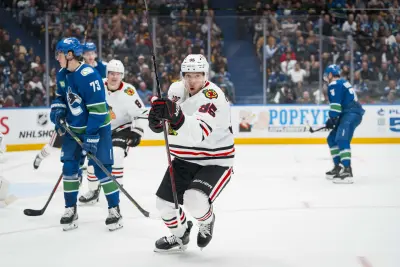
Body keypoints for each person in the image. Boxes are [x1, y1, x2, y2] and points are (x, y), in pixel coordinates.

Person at [148, 54, 234, 252]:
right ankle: (181, 235)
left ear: (205, 75)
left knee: (194, 199)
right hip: (184, 158)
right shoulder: (175, 90)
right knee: (164, 205)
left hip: (215, 160)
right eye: (188, 75)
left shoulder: (214, 96)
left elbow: (197, 133)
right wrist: (157, 121)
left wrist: (175, 114)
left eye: (197, 75)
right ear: (182, 75)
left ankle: (207, 221)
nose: (192, 80)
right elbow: (171, 123)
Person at [50, 37, 122, 231]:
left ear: (70, 55)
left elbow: (99, 111)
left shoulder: (89, 75)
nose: (57, 57)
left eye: (59, 54)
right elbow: (60, 97)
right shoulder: (62, 75)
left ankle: (114, 209)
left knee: (102, 169)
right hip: (74, 130)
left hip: (98, 129)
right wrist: (57, 110)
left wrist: (91, 136)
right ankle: (70, 209)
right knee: (69, 167)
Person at [79, 59, 146, 205]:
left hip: (123, 129)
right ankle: (93, 190)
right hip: (102, 129)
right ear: (107, 74)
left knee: (116, 154)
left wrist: (137, 132)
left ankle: (116, 190)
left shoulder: (129, 91)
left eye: (118, 74)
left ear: (122, 76)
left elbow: (140, 113)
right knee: (92, 162)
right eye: (111, 73)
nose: (114, 77)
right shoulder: (97, 86)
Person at [32, 42, 106, 170]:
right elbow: (62, 94)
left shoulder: (100, 68)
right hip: (72, 118)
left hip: (88, 116)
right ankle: (41, 156)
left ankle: (80, 171)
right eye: (87, 53)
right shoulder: (70, 70)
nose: (90, 56)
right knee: (53, 145)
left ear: (95, 54)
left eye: (92, 53)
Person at [323, 64, 365, 184]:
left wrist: (332, 119)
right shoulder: (342, 82)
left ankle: (347, 170)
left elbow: (335, 107)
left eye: (327, 75)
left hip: (351, 113)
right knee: (331, 138)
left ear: (331, 75)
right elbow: (341, 105)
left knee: (341, 138)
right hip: (349, 113)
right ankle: (338, 167)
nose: (327, 78)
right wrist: (334, 120)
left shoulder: (334, 85)